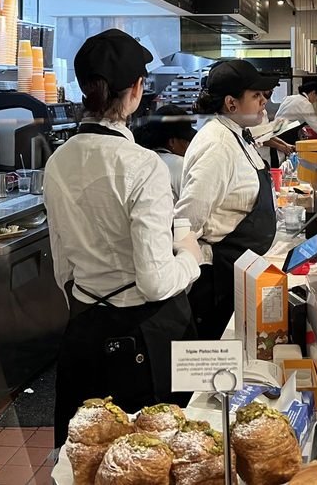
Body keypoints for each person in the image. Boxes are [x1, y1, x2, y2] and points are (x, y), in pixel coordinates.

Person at [44, 29, 204, 446]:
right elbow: (153, 282)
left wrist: (89, 303)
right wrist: (190, 257)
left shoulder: (57, 160)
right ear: (136, 90)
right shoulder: (143, 165)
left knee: (86, 457)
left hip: (83, 335)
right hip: (141, 342)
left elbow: (62, 262)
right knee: (147, 458)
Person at [176, 59, 279, 340]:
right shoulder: (218, 145)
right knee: (210, 370)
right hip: (216, 279)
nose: (263, 102)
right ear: (231, 104)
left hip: (236, 270)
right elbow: (188, 217)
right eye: (256, 96)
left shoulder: (235, 135)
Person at [133, 104, 197, 201]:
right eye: (186, 140)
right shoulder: (180, 165)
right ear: (172, 142)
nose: (189, 145)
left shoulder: (142, 160)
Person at [270, 80, 317, 166]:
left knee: (280, 165)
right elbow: (316, 125)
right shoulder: (305, 103)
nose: (316, 100)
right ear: (313, 93)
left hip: (276, 135)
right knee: (283, 165)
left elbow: (290, 118)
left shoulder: (290, 98)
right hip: (284, 137)